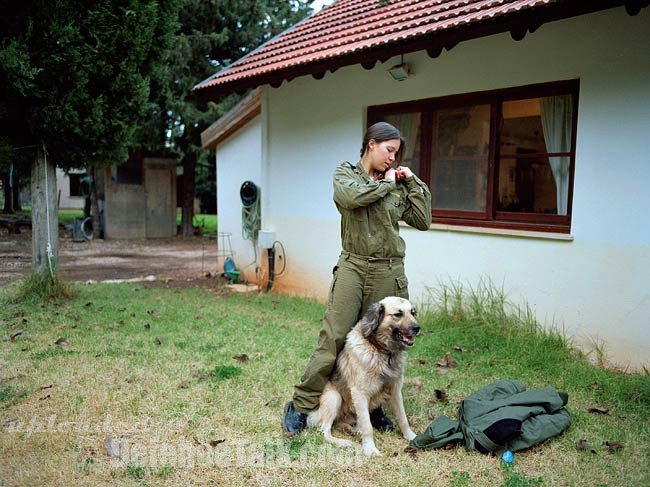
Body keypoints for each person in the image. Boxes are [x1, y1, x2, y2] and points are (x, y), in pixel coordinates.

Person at [283, 122, 432, 434]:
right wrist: (389, 185)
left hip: (388, 269)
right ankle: (300, 403)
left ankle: (375, 406)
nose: (393, 158)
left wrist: (412, 180)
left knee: (385, 341)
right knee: (334, 336)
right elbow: (352, 199)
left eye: (397, 153)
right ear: (371, 144)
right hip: (353, 265)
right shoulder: (345, 174)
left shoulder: (397, 182)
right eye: (389, 150)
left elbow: (423, 220)